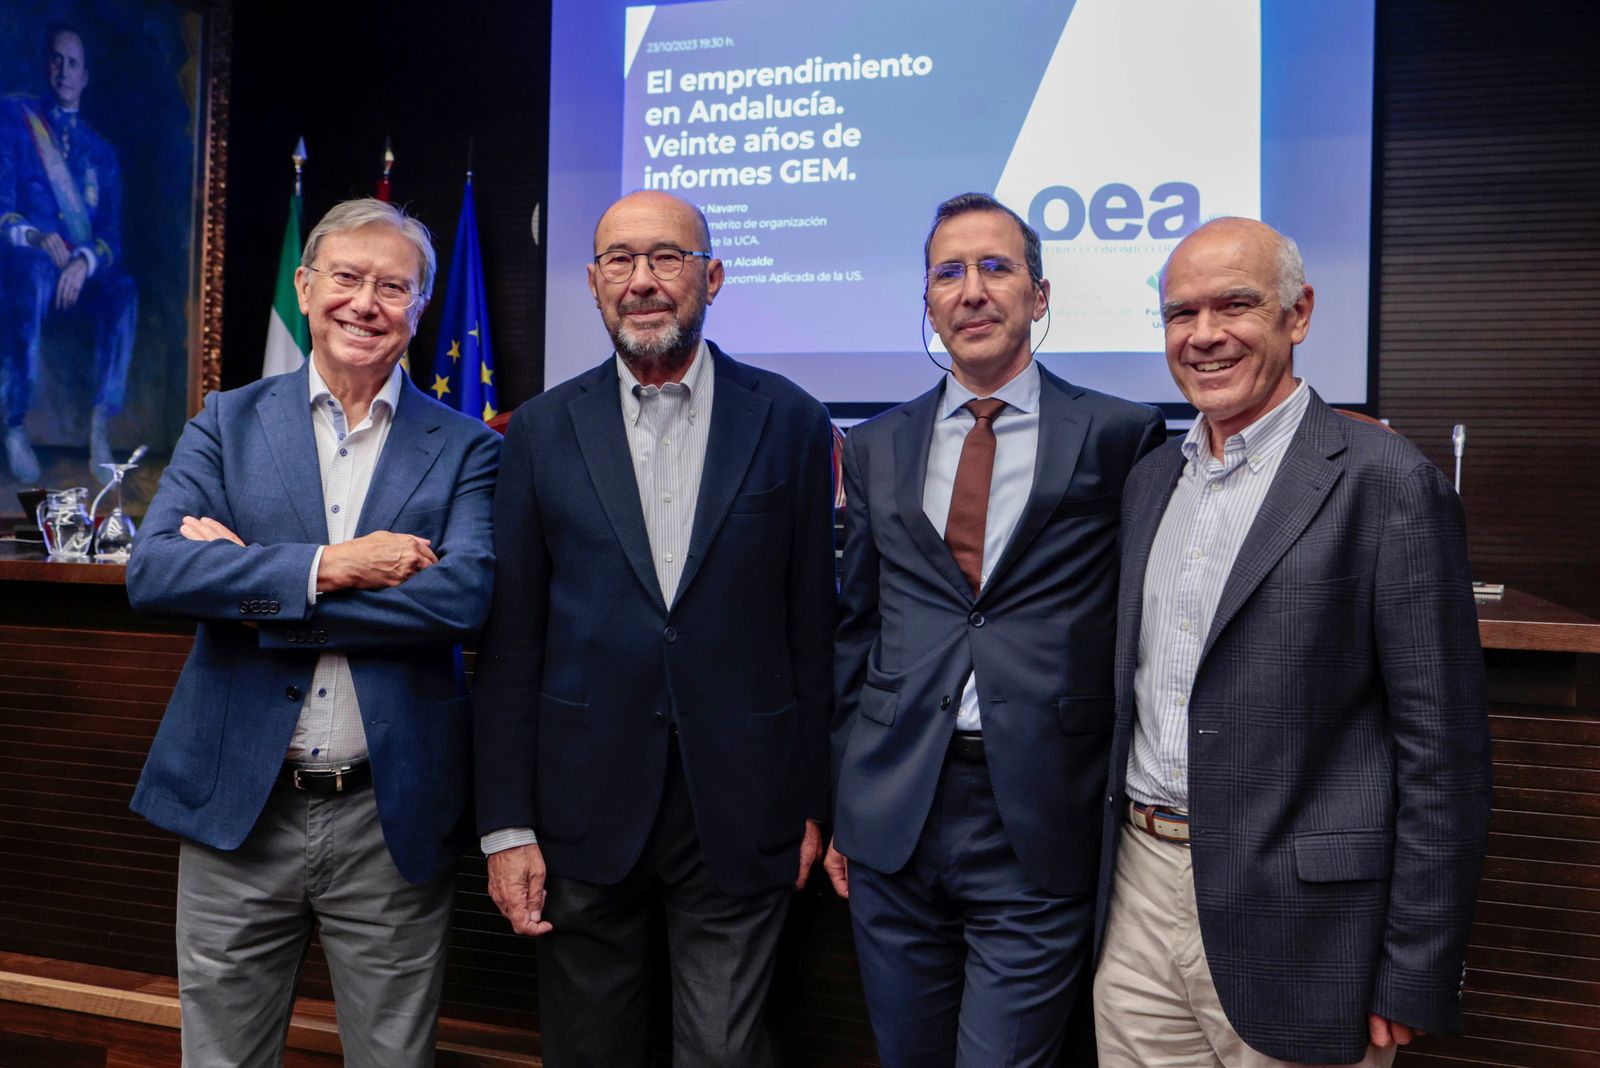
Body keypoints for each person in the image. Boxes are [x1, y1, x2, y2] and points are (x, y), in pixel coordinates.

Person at [1093, 216, 1492, 1067]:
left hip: (1308, 931)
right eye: (1179, 314)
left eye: (1234, 305)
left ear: (1298, 315)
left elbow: (1443, 751)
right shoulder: (1149, 480)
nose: (1203, 337)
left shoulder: (1387, 483)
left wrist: (1414, 967)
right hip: (1138, 897)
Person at [125, 198, 500, 1067]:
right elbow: (155, 575)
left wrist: (253, 582)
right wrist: (330, 566)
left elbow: (462, 602)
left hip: (389, 811)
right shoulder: (227, 420)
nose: (366, 302)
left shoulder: (470, 447)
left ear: (421, 306)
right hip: (237, 808)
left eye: (393, 285)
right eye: (346, 276)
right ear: (305, 286)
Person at [472, 190, 837, 1067]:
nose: (643, 281)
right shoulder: (537, 431)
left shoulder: (788, 420)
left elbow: (814, 631)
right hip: (579, 816)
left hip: (743, 811)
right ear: (594, 283)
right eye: (621, 262)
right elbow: (511, 643)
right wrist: (507, 826)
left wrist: (816, 801)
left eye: (667, 259)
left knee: (724, 1053)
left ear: (711, 276)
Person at [826, 192, 1166, 1066]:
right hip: (895, 814)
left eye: (995, 267)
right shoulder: (874, 446)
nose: (971, 290)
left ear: (1039, 295)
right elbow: (853, 628)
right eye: (948, 273)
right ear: (928, 303)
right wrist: (841, 801)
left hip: (1039, 814)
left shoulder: (1120, 436)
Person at [0, 25, 137, 484]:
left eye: (73, 62)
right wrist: (36, 238)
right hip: (25, 268)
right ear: (46, 65)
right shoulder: (15, 125)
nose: (63, 70)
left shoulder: (101, 152)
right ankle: (14, 420)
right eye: (56, 59)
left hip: (81, 278)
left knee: (123, 290)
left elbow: (111, 240)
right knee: (32, 274)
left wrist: (83, 262)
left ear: (86, 75)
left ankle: (100, 422)